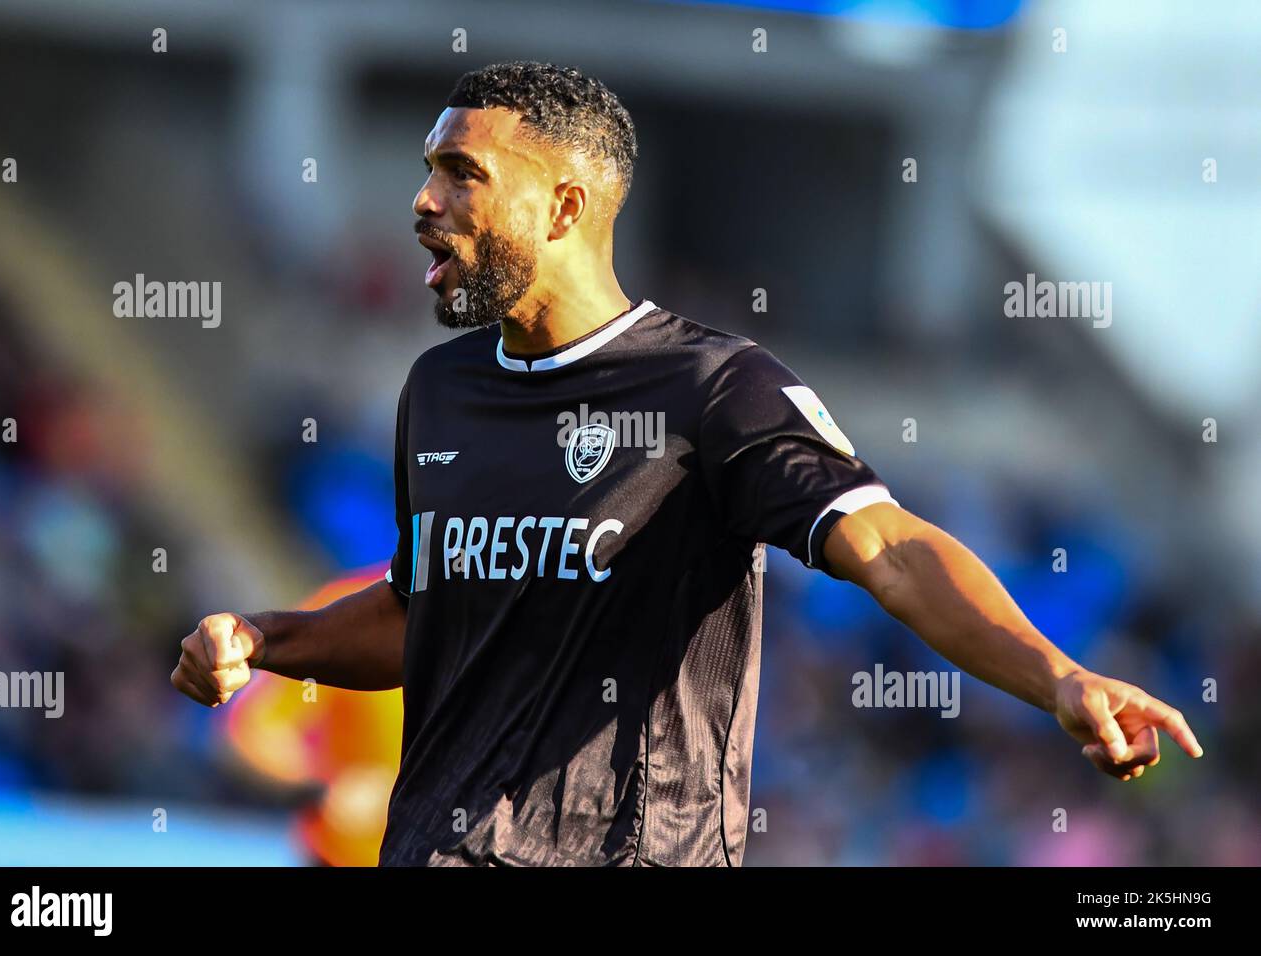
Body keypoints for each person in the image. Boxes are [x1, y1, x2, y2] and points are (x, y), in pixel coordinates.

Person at [171, 61, 1203, 867]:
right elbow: (417, 613)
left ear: (565, 208)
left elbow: (887, 547)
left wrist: (1057, 674)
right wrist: (264, 637)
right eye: (427, 169)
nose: (420, 202)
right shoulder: (437, 391)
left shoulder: (713, 388)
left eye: (459, 174)